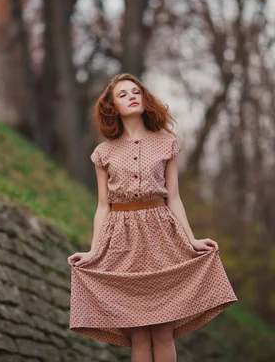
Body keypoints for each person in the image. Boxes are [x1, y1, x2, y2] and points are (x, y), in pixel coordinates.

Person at [68, 73, 238, 362]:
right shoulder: (103, 153)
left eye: (136, 92)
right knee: (137, 335)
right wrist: (94, 251)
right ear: (112, 108)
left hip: (162, 239)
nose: (132, 96)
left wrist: (192, 240)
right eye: (122, 94)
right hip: (121, 243)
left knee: (162, 332)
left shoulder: (166, 143)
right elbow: (102, 206)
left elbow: (173, 197)